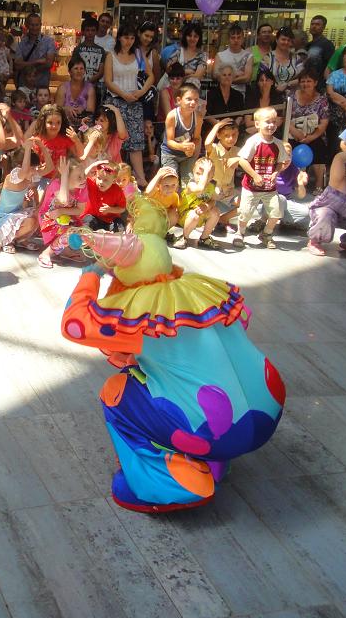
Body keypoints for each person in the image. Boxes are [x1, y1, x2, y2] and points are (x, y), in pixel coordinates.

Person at [59, 195, 284, 512]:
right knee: (201, 379)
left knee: (117, 393)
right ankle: (215, 458)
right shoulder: (197, 289)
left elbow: (74, 325)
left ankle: (174, 482)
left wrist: (92, 273)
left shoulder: (143, 317)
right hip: (266, 413)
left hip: (217, 431)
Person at [104, 24, 151, 187]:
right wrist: (123, 94)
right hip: (116, 100)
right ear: (119, 38)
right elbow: (108, 81)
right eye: (125, 37)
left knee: (136, 141)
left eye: (132, 38)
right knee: (112, 140)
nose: (128, 41)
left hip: (134, 101)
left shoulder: (138, 54)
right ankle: (109, 173)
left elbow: (151, 76)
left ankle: (140, 177)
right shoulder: (111, 55)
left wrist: (142, 91)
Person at [235, 107, 287, 249]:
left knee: (276, 213)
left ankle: (266, 234)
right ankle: (240, 232)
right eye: (267, 122)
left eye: (274, 122)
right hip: (251, 188)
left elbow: (281, 163)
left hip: (270, 188)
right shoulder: (254, 141)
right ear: (257, 124)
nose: (271, 125)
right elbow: (242, 160)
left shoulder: (278, 144)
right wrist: (254, 175)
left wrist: (276, 173)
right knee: (245, 212)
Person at [0, 141, 50, 253]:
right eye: (33, 167)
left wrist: (43, 147)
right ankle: (8, 240)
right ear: (20, 166)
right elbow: (24, 171)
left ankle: (20, 239)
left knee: (39, 215)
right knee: (31, 221)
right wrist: (27, 149)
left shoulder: (29, 176)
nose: (35, 170)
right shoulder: (13, 176)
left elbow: (49, 168)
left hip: (17, 214)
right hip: (4, 218)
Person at [288, 68, 331, 191]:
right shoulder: (291, 97)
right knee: (288, 147)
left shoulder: (322, 100)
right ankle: (295, 183)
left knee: (319, 147)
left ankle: (319, 184)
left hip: (314, 134)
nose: (305, 84)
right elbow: (286, 118)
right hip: (294, 133)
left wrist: (311, 137)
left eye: (309, 81)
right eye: (303, 81)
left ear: (315, 83)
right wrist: (296, 133)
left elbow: (324, 122)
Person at [161, 84, 201, 185]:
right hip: (169, 154)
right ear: (179, 100)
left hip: (186, 155)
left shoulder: (198, 117)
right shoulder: (172, 116)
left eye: (196, 100)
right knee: (170, 182)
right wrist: (182, 147)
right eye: (189, 99)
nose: (193, 103)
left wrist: (192, 146)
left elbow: (196, 138)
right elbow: (169, 141)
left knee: (188, 183)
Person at [14, 12, 57, 91]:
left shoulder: (49, 41)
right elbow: (17, 65)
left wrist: (27, 68)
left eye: (37, 25)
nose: (34, 27)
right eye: (32, 25)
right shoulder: (22, 43)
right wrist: (37, 62)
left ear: (40, 25)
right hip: (24, 87)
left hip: (42, 87)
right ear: (27, 25)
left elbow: (48, 63)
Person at [81, 160, 127, 232]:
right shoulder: (91, 184)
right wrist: (92, 166)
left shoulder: (117, 191)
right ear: (95, 175)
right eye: (99, 178)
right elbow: (81, 177)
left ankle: (116, 238)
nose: (101, 182)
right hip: (92, 217)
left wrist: (110, 209)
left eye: (106, 180)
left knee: (118, 225)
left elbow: (122, 208)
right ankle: (85, 237)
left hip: (110, 220)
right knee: (87, 221)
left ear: (114, 181)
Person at [261, 27, 304, 96]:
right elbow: (262, 79)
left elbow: (303, 78)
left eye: (289, 40)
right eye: (283, 39)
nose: (286, 42)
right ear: (277, 40)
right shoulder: (267, 58)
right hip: (271, 96)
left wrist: (287, 84)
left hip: (294, 97)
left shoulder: (297, 58)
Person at [56, 55, 96, 128]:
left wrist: (83, 109)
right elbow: (57, 109)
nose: (79, 71)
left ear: (84, 71)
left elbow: (91, 110)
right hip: (64, 124)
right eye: (76, 68)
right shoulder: (62, 88)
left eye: (81, 69)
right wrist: (66, 109)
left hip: (84, 124)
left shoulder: (90, 88)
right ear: (69, 71)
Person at [214, 23, 253, 97]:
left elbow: (247, 78)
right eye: (233, 37)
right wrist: (237, 75)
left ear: (243, 39)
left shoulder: (248, 56)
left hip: (240, 94)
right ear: (229, 39)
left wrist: (225, 78)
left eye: (239, 37)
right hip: (221, 93)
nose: (236, 40)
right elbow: (216, 75)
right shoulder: (220, 55)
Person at [205, 64, 247, 129]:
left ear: (233, 77)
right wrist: (219, 126)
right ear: (219, 77)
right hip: (215, 128)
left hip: (233, 129)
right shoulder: (210, 94)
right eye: (224, 75)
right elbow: (207, 114)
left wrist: (234, 126)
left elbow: (241, 114)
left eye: (229, 75)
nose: (227, 77)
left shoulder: (238, 95)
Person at [71, 16, 106, 88]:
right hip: (78, 85)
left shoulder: (101, 50)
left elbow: (101, 72)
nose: (90, 33)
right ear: (83, 32)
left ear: (96, 31)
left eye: (93, 30)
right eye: (87, 30)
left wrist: (88, 82)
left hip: (95, 87)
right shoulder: (78, 49)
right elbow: (73, 68)